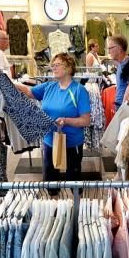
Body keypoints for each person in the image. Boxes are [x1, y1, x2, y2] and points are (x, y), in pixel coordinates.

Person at [16, 52, 90, 180]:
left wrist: (66, 121)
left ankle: (76, 199)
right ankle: (54, 198)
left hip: (72, 143)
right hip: (49, 140)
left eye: (57, 65)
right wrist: (7, 81)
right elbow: (28, 91)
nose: (53, 68)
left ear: (68, 67)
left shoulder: (79, 90)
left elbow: (86, 120)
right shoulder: (49, 86)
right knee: (50, 178)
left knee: (73, 179)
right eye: (52, 65)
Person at [107, 34, 129, 111]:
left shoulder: (127, 65)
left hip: (125, 108)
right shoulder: (121, 63)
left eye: (110, 48)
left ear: (119, 49)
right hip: (120, 106)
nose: (109, 51)